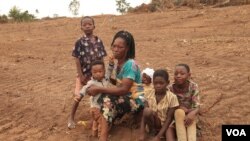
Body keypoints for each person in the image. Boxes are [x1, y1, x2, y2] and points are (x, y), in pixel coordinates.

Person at [87, 30, 144, 141]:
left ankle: (103, 136)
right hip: (126, 96)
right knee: (103, 98)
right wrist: (102, 81)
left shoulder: (130, 64)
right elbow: (120, 83)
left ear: (127, 49)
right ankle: (104, 123)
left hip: (136, 100)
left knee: (106, 101)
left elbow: (124, 89)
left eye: (120, 47)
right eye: (114, 46)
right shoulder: (120, 63)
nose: (116, 49)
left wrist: (99, 88)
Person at [68, 16, 107, 129]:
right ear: (81, 27)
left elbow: (102, 58)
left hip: (97, 75)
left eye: (89, 24)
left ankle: (100, 117)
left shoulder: (99, 41)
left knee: (100, 95)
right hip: (84, 74)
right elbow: (77, 59)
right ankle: (71, 117)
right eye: (84, 25)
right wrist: (80, 75)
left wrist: (103, 72)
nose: (87, 26)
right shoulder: (79, 42)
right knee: (78, 96)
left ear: (94, 26)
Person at [139, 69, 179, 141]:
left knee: (170, 139)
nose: (158, 86)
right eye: (156, 83)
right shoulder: (149, 94)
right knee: (147, 111)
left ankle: (159, 135)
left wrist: (158, 137)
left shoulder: (172, 97)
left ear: (167, 83)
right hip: (153, 124)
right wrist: (142, 133)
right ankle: (152, 131)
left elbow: (169, 119)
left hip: (166, 125)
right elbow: (144, 115)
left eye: (161, 83)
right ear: (152, 83)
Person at [78, 60, 112, 138]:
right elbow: (84, 88)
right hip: (96, 108)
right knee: (102, 122)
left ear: (104, 71)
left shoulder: (105, 79)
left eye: (100, 71)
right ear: (92, 73)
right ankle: (101, 136)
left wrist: (111, 64)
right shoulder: (91, 82)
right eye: (95, 72)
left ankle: (94, 133)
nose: (97, 74)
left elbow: (109, 72)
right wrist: (80, 95)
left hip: (100, 107)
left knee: (96, 121)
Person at [169, 64, 200, 141]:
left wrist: (192, 113)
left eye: (182, 74)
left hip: (190, 114)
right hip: (176, 118)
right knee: (179, 112)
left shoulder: (193, 86)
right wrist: (179, 107)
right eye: (176, 74)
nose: (178, 76)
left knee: (191, 118)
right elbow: (169, 105)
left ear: (189, 75)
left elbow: (197, 106)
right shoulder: (170, 88)